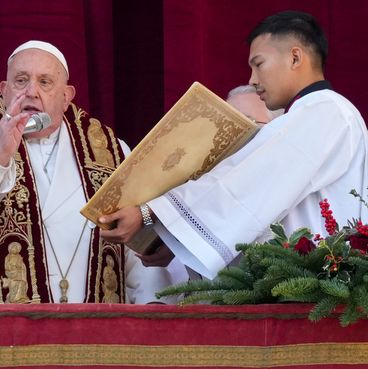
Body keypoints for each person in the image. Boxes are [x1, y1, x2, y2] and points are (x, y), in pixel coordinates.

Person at [100, 11, 368, 279]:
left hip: (311, 291)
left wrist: (150, 212)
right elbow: (264, 205)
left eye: (259, 64)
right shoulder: (317, 114)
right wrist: (176, 240)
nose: (252, 79)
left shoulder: (324, 111)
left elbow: (245, 183)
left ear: (295, 57)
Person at [0, 40, 176, 303]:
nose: (32, 91)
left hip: (94, 332)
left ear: (67, 96)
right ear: (4, 91)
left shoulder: (114, 151)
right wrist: (0, 156)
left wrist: (154, 305)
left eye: (45, 82)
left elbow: (134, 247)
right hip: (0, 335)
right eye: (21, 81)